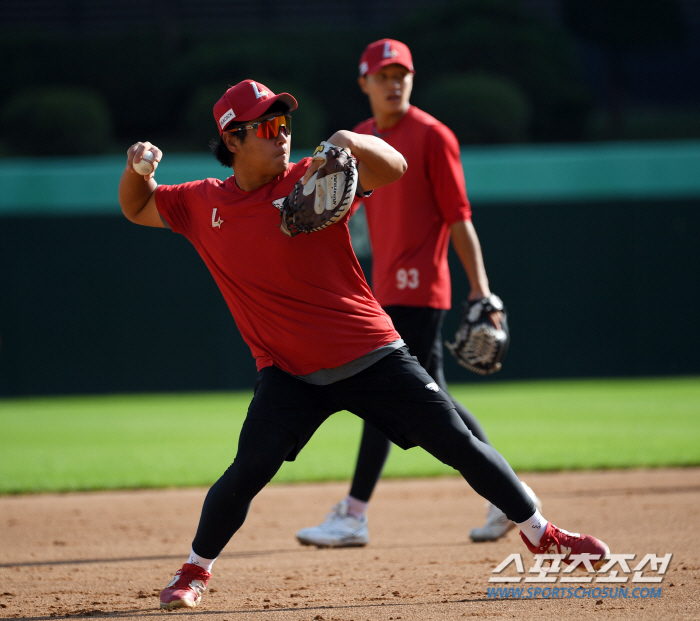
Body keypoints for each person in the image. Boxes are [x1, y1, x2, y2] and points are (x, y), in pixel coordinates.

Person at [118, 78, 609, 611]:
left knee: (454, 438)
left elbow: (393, 167)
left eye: (284, 124)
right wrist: (136, 170)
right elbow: (137, 208)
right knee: (250, 466)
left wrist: (349, 141)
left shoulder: (316, 175)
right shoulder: (203, 204)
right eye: (266, 127)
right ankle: (194, 571)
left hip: (369, 351)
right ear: (232, 140)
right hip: (290, 371)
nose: (281, 135)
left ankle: (542, 533)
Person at [296, 39, 539, 549]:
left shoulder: (432, 135)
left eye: (401, 73)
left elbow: (459, 218)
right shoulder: (359, 139)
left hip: (421, 287)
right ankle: (509, 497)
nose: (394, 82)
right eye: (383, 75)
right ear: (364, 82)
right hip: (382, 287)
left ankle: (355, 513)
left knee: (385, 389)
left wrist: (483, 291)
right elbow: (339, 210)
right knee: (430, 396)